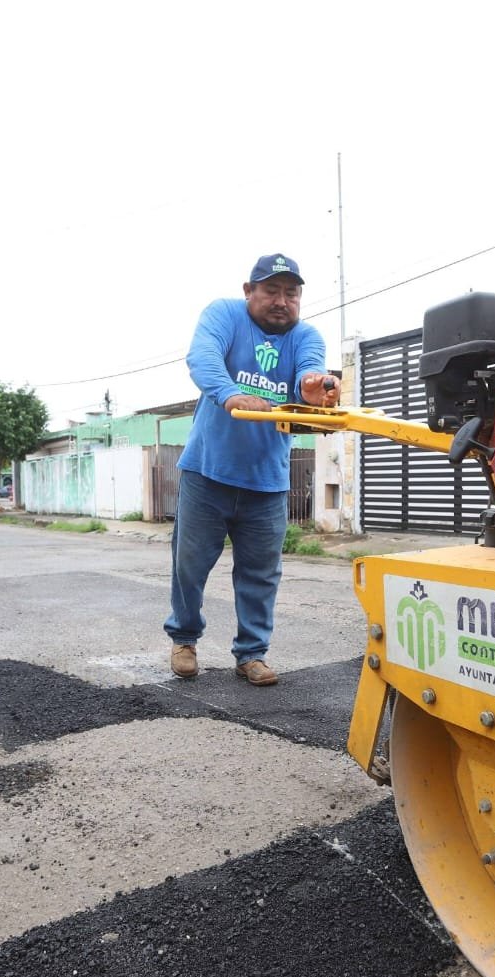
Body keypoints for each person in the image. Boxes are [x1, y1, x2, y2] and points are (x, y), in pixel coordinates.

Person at [165, 253, 339, 685]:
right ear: (249, 291)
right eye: (271, 290)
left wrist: (316, 388)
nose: (282, 301)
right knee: (190, 565)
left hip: (267, 482)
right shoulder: (224, 314)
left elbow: (309, 376)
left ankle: (251, 654)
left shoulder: (305, 336)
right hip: (207, 473)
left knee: (261, 574)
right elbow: (202, 358)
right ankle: (184, 639)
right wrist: (230, 395)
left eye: (291, 293)